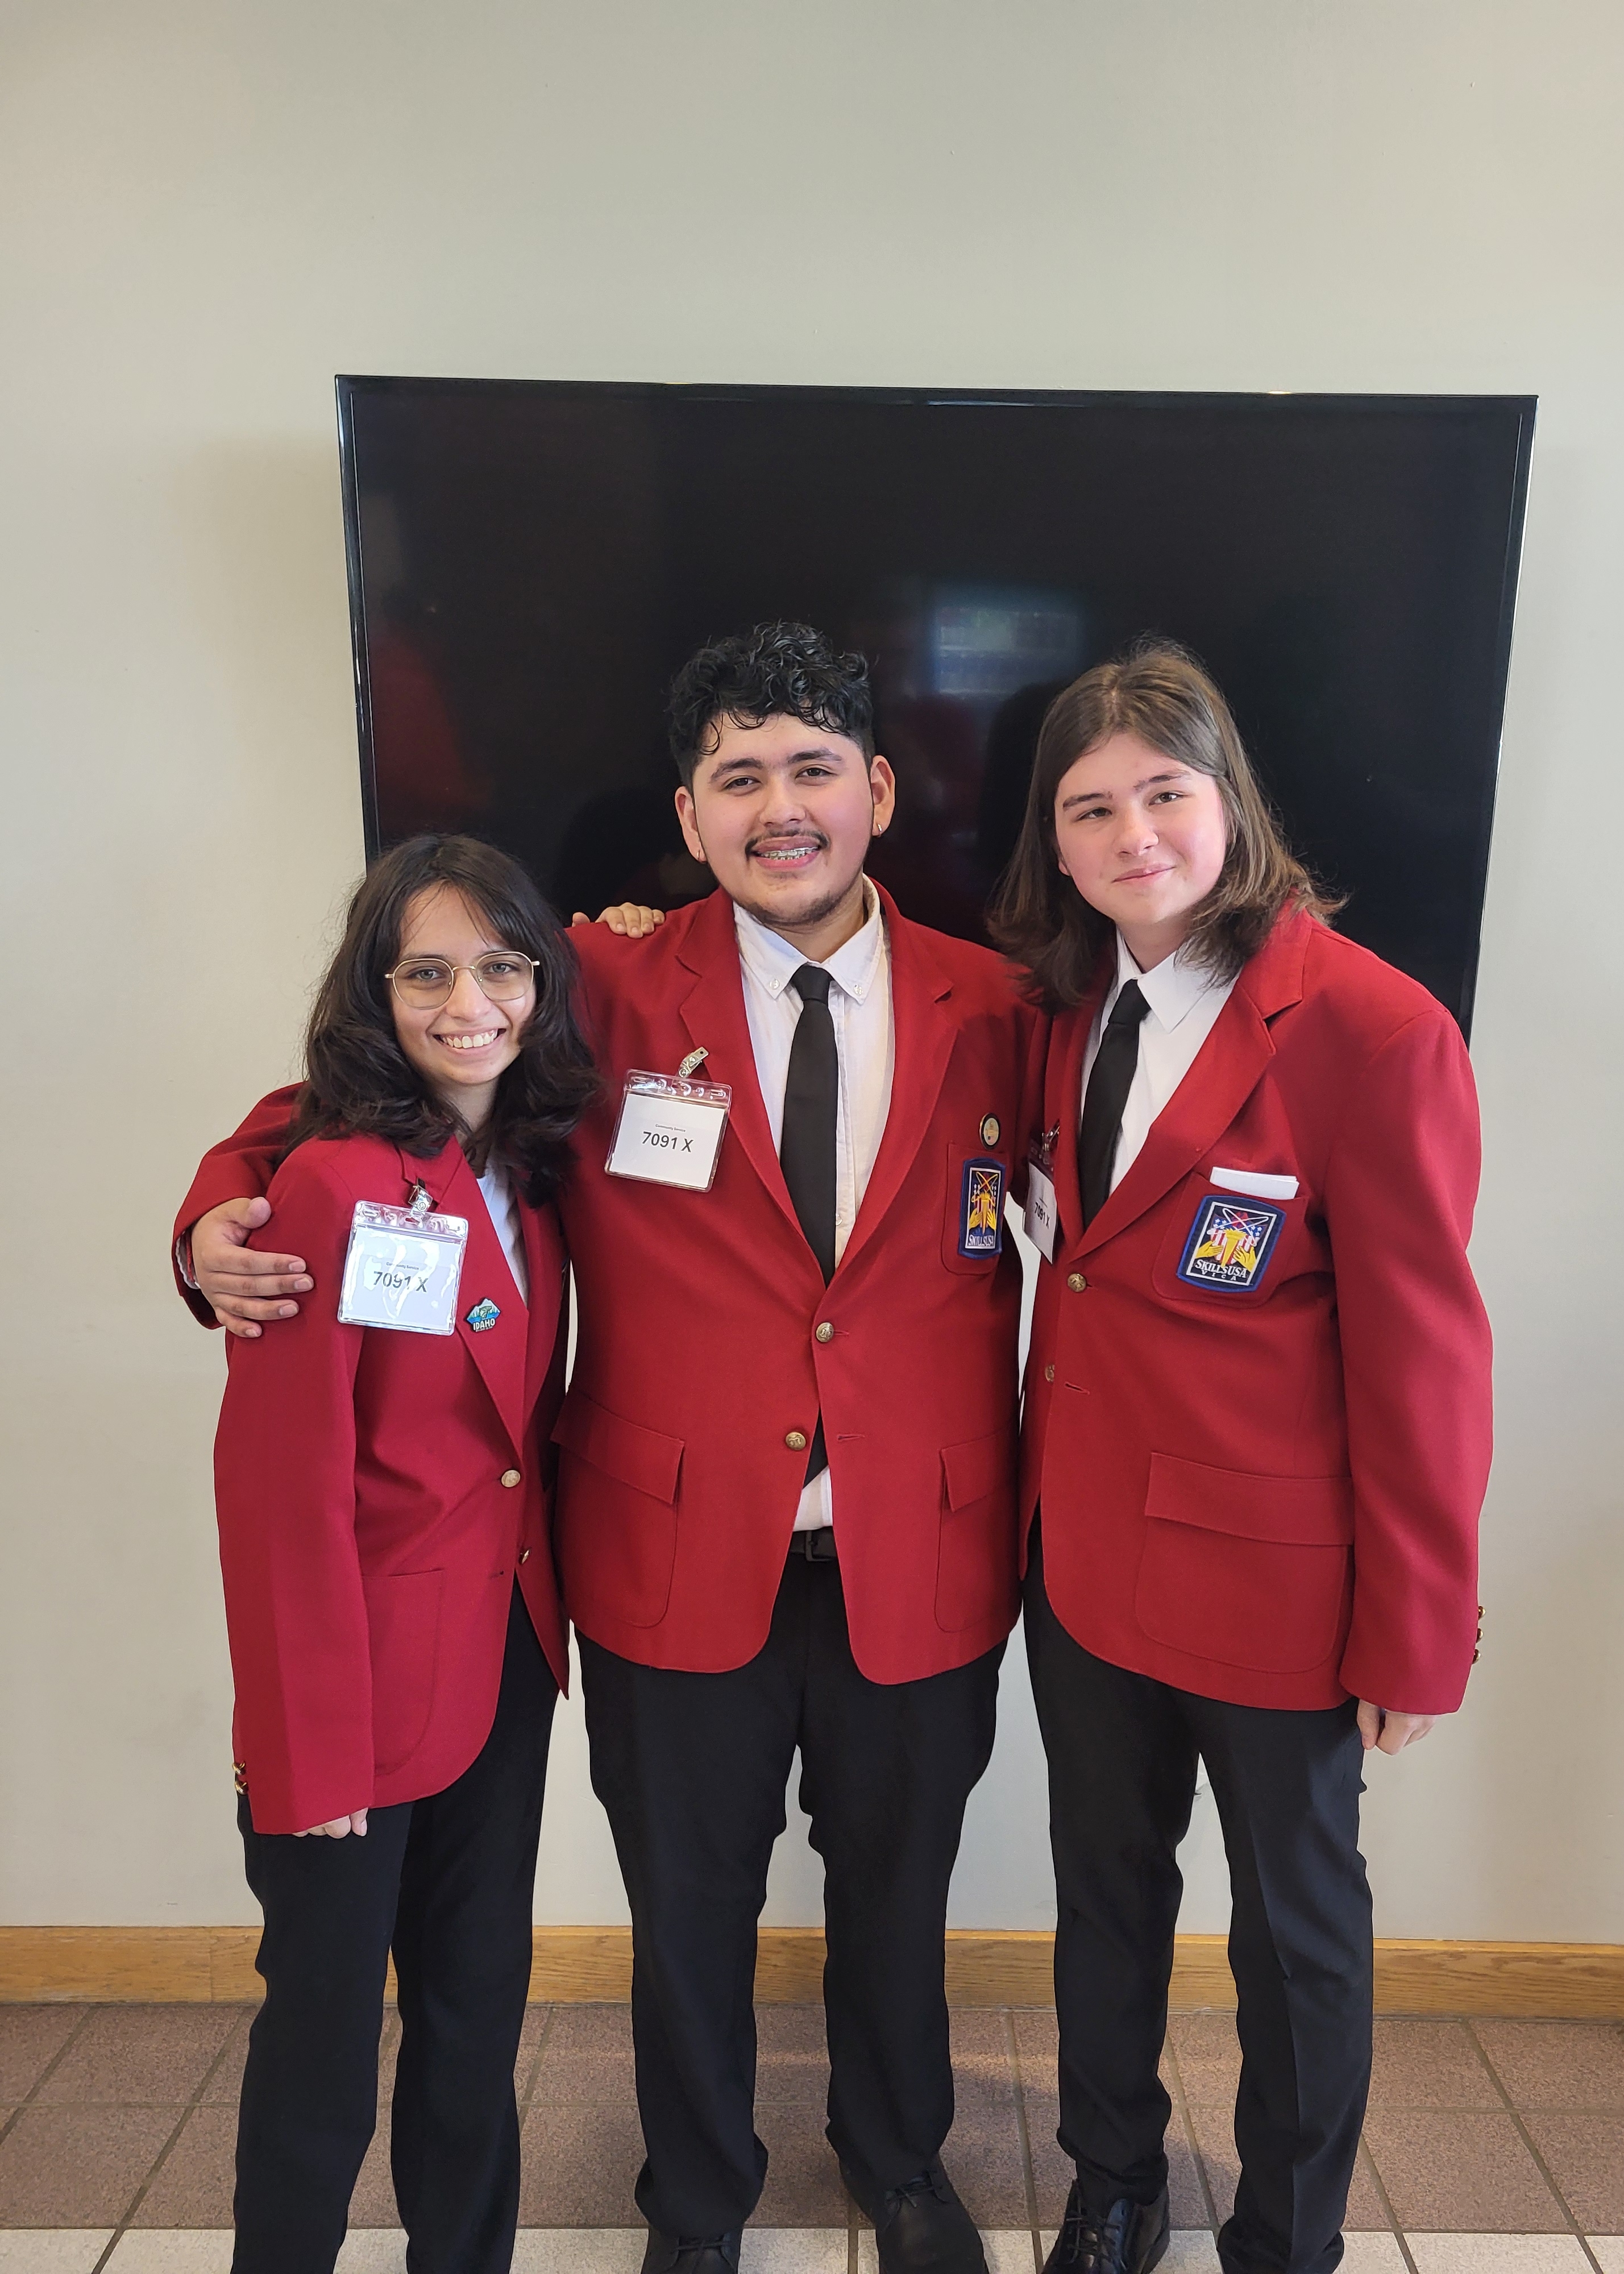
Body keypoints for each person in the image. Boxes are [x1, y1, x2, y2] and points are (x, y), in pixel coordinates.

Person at [174, 624, 1046, 2274]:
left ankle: (901, 2163)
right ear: (689, 813)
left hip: (917, 1548)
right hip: (666, 1545)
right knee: (686, 1912)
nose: (780, 808)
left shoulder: (1000, 1001)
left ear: (877, 789)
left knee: (900, 1895)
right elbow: (376, 1075)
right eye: (739, 777)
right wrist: (213, 1206)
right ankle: (697, 2200)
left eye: (812, 770)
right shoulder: (602, 977)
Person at [988, 638, 1493, 2274]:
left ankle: (1288, 2232)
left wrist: (1417, 1626)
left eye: (1165, 794)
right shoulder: (1062, 1009)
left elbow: (1425, 1358)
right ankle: (1114, 2183)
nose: (1133, 835)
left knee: (1294, 1933)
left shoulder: (1373, 1028)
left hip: (1278, 1588)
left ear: (1231, 803)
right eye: (1090, 808)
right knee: (1105, 1897)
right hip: (1085, 1566)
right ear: (1056, 842)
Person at [205, 833, 598, 2273]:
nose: (469, 1004)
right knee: (322, 2041)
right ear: (374, 992)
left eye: (501, 967)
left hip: (502, 1660)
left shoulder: (533, 1166)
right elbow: (278, 1491)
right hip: (353, 1689)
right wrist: (307, 1752)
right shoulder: (325, 1181)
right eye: (425, 973)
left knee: (475, 2017)